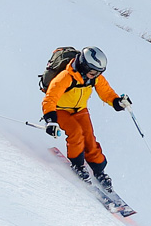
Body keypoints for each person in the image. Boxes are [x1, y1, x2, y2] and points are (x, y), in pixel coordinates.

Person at [41, 46, 132, 189]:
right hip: (60, 110)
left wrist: (117, 102)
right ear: (84, 66)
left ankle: (99, 170)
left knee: (89, 137)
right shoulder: (65, 77)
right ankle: (78, 164)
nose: (96, 75)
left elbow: (106, 92)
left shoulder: (94, 78)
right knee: (76, 133)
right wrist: (50, 120)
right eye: (93, 72)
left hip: (80, 110)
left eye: (99, 72)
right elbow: (50, 98)